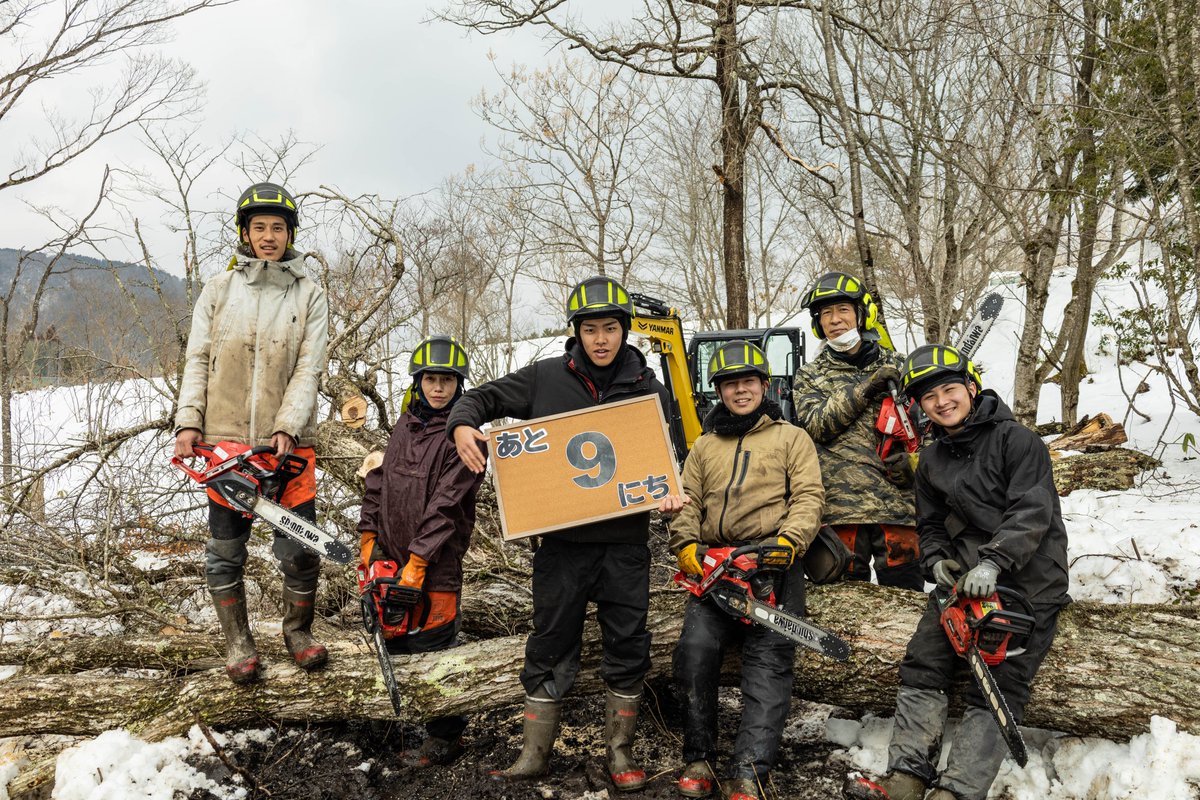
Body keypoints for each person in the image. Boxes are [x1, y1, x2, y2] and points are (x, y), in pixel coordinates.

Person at [447, 275, 671, 792]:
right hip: (561, 548)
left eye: (610, 328)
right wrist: (461, 425)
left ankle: (621, 752)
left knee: (629, 643)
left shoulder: (649, 388)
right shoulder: (545, 378)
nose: (600, 339)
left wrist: (671, 493)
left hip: (625, 546)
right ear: (576, 331)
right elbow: (478, 399)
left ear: (624, 331)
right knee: (549, 643)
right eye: (590, 329)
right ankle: (534, 755)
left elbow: (672, 457)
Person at [845, 343, 1069, 800]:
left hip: (1029, 580)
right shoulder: (931, 458)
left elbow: (1032, 510)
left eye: (950, 389)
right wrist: (935, 561)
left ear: (970, 387)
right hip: (963, 581)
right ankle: (906, 777)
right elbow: (928, 525)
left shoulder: (1017, 440)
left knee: (998, 683)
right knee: (923, 661)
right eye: (930, 397)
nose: (942, 401)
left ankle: (960, 791)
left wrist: (995, 560)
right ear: (921, 406)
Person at [174, 182, 330, 684]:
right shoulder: (219, 290)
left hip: (289, 445)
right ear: (245, 232)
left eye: (277, 228)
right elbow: (197, 358)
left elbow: (310, 367)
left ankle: (297, 632)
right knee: (225, 550)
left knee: (301, 548)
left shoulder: (309, 292)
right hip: (225, 444)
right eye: (259, 227)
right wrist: (188, 422)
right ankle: (238, 641)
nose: (268, 236)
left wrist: (288, 423)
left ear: (290, 234)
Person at [660, 341, 825, 800]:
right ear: (719, 391)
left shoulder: (792, 438)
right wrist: (687, 545)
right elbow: (686, 503)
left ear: (764, 385)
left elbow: (809, 498)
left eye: (748, 381)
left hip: (772, 563)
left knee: (768, 664)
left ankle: (750, 768)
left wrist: (789, 542)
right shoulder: (704, 446)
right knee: (694, 650)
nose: (740, 390)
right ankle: (698, 756)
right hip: (715, 566)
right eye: (731, 383)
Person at [358, 335, 484, 768]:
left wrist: (419, 561)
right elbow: (379, 481)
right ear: (418, 381)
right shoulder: (403, 426)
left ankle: (445, 739)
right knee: (392, 642)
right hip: (391, 555)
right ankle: (390, 722)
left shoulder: (464, 440)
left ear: (459, 386)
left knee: (435, 650)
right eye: (431, 379)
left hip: (437, 565)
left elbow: (446, 506)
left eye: (447, 381)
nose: (438, 388)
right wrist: (368, 536)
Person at [792, 272, 922, 590]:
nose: (834, 320)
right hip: (840, 511)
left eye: (842, 310)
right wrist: (867, 388)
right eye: (825, 314)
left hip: (898, 510)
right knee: (845, 609)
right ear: (817, 323)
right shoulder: (810, 375)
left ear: (863, 314)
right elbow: (817, 425)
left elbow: (932, 427)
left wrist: (916, 464)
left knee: (907, 600)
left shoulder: (901, 366)